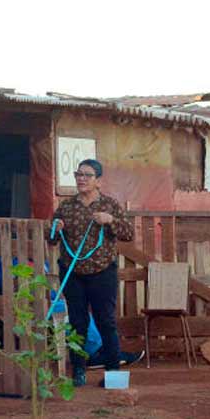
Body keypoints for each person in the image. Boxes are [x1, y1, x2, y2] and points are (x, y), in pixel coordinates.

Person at [49, 159, 134, 387]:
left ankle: (114, 376)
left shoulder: (109, 205)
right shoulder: (66, 207)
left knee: (106, 322)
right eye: (78, 174)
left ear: (98, 180)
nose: (81, 178)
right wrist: (55, 229)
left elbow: (128, 233)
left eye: (87, 175)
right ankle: (78, 371)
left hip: (102, 272)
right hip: (73, 273)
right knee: (77, 323)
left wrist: (110, 220)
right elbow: (52, 239)